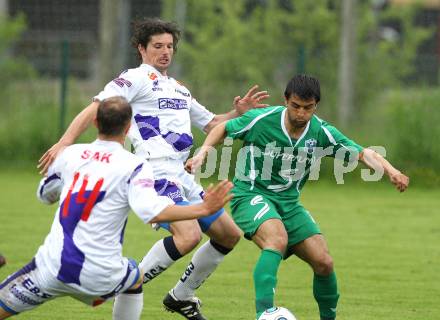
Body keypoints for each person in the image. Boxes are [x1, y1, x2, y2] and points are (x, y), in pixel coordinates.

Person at [37, 18, 268, 320]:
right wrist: (64, 143)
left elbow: (212, 123)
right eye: (157, 46)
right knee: (188, 236)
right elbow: (97, 107)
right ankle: (128, 282)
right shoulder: (134, 79)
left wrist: (236, 113)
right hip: (154, 174)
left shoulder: (178, 89)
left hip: (182, 175)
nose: (165, 52)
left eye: (169, 46)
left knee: (228, 235)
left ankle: (181, 297)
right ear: (141, 49)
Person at [187, 74, 410, 320]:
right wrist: (203, 152)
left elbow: (361, 153)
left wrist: (392, 171)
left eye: (308, 108)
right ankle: (265, 314)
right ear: (286, 101)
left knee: (324, 262)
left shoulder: (322, 132)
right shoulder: (262, 119)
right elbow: (223, 128)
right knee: (277, 239)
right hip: (250, 195)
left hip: (289, 205)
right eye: (295, 106)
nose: (301, 113)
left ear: (316, 106)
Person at [0, 97, 233, 320]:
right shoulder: (134, 165)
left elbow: (44, 195)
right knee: (134, 276)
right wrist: (203, 208)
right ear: (128, 126)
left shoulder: (70, 155)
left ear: (95, 123)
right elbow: (154, 212)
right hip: (103, 275)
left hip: (49, 270)